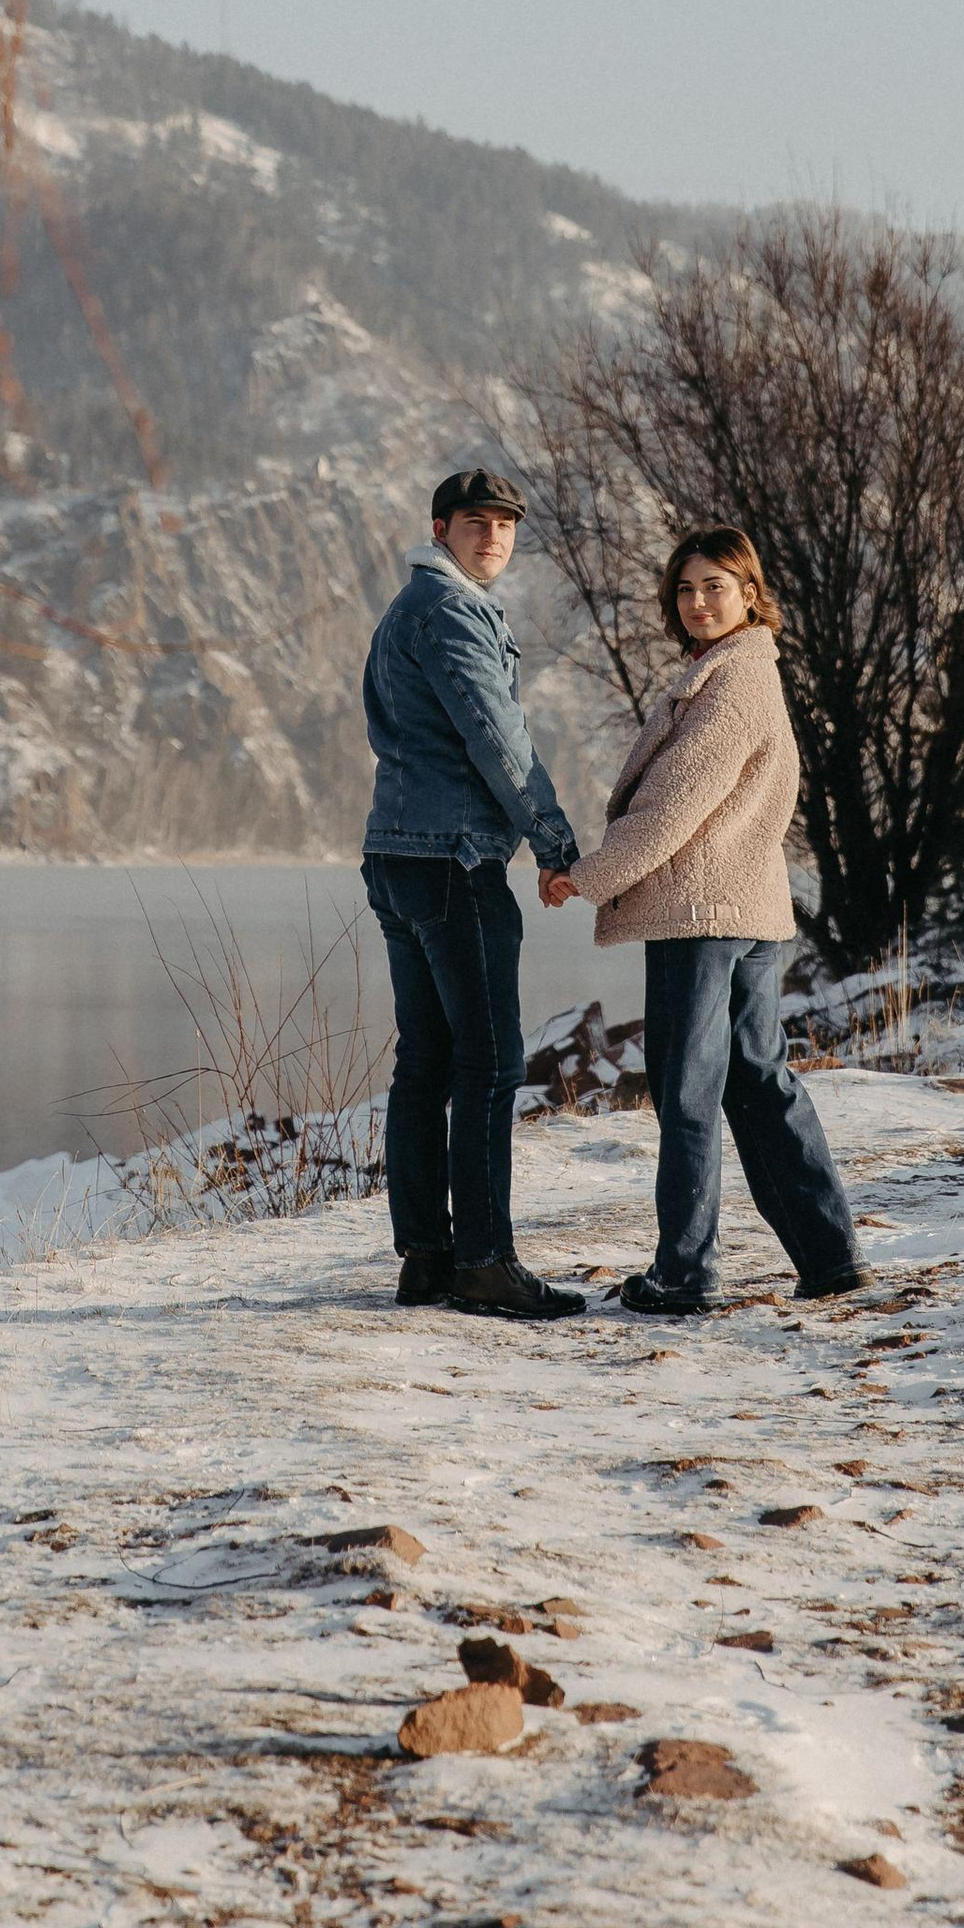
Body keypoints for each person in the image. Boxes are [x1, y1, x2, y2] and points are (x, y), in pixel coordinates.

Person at [540, 523, 865, 1314]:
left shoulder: (733, 683)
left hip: (703, 913)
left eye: (714, 587)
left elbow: (671, 806)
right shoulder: (748, 675)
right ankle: (828, 1258)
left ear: (750, 595)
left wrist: (586, 878)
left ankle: (686, 1274)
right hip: (748, 908)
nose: (696, 602)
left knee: (691, 1093)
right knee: (758, 1082)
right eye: (685, 589)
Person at [360, 467, 588, 1322]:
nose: (493, 537)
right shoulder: (451, 612)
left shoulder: (400, 612)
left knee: (423, 1063)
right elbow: (499, 739)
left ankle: (426, 1258)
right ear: (440, 528)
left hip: (395, 854)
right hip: (452, 860)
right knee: (488, 1064)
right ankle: (485, 1263)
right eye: (476, 523)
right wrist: (555, 844)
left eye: (505, 525)